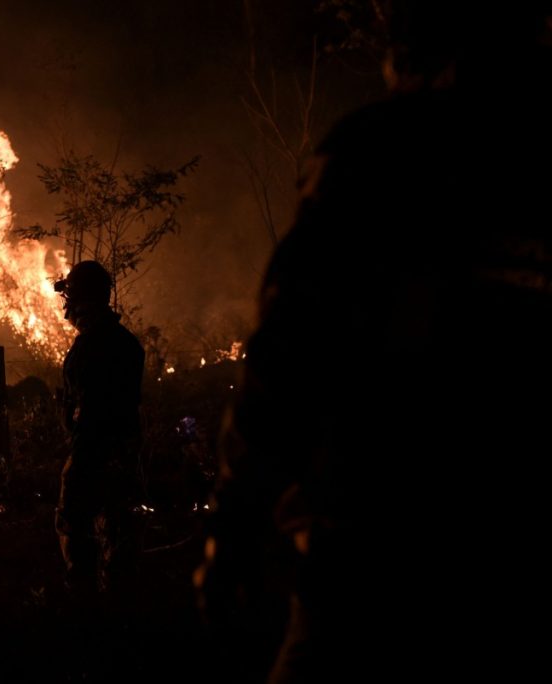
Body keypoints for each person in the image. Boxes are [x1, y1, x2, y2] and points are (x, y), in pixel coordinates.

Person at [197, 4, 552, 682]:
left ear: (414, 52)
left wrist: (236, 524)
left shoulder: (385, 150)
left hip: (383, 538)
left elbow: (293, 346)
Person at [54, 260, 145, 596]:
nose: (68, 308)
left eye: (72, 298)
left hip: (91, 448)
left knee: (75, 525)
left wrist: (78, 444)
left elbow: (88, 407)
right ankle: (121, 599)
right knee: (116, 527)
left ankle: (84, 601)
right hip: (124, 447)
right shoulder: (127, 343)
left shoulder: (90, 347)